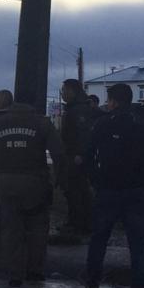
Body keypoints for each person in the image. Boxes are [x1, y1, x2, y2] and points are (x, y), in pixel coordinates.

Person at [0, 95, 63, 287]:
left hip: (5, 181)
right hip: (35, 181)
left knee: (11, 229)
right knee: (38, 228)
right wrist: (58, 178)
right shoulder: (42, 123)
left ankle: (15, 274)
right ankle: (35, 271)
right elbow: (58, 153)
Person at [84, 82, 144, 288]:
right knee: (137, 243)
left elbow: (88, 155)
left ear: (113, 101)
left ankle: (92, 283)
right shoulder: (141, 125)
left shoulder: (102, 124)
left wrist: (96, 179)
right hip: (136, 189)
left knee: (99, 239)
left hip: (108, 189)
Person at [58, 78, 97, 234]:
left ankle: (78, 223)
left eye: (64, 91)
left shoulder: (79, 110)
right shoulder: (76, 108)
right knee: (76, 190)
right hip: (73, 154)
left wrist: (80, 154)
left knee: (76, 191)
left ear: (71, 91)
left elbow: (83, 133)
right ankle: (79, 222)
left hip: (75, 156)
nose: (62, 94)